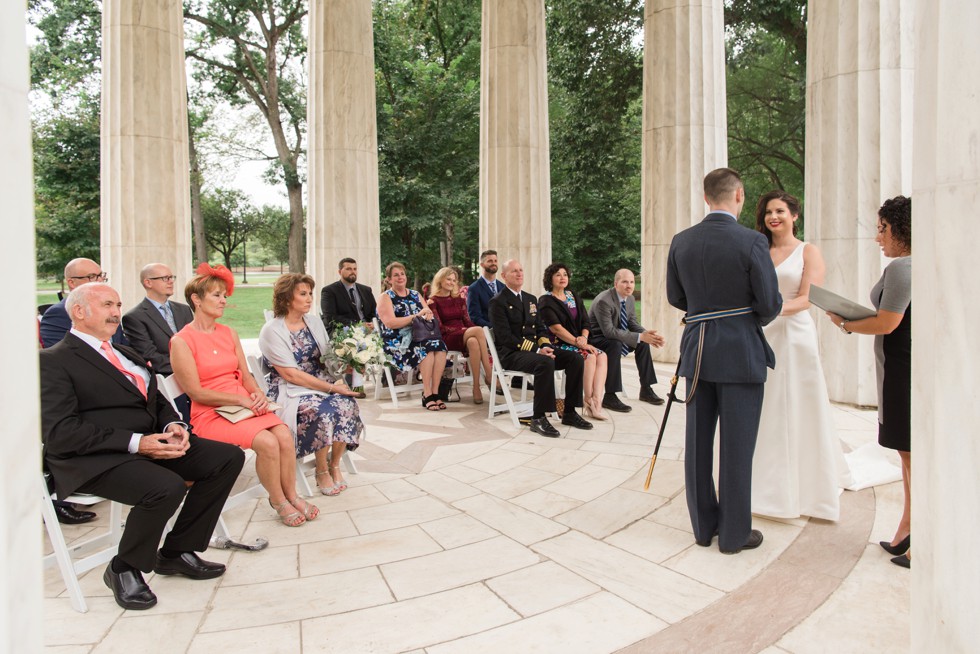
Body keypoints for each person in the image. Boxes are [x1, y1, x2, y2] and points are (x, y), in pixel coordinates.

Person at [40, 283, 245, 610]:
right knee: (166, 486)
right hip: (96, 457)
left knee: (226, 458)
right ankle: (124, 567)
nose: (116, 312)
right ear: (79, 312)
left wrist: (173, 426)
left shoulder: (126, 352)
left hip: (151, 444)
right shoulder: (53, 361)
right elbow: (62, 432)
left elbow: (157, 400)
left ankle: (176, 552)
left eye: (118, 304)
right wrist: (138, 443)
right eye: (107, 304)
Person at [666, 167, 782, 554]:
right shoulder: (752, 242)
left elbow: (675, 297)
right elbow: (768, 303)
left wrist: (706, 310)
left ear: (705, 197)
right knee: (737, 446)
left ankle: (703, 528)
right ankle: (733, 536)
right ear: (740, 196)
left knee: (697, 443)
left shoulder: (681, 241)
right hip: (740, 352)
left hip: (697, 350)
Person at [170, 263, 319, 527]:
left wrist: (257, 393)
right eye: (216, 295)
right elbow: (195, 392)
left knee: (284, 434)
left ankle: (292, 494)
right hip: (210, 412)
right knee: (267, 442)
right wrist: (240, 399)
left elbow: (246, 374)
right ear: (196, 299)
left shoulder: (229, 333)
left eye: (224, 295)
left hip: (244, 404)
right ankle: (278, 500)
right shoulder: (182, 341)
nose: (223, 301)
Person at [751, 191, 852, 521]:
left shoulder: (808, 251)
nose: (772, 216)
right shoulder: (758, 249)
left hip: (794, 336)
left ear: (795, 215)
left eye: (780, 211)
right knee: (765, 405)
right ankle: (762, 481)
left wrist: (770, 311)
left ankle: (807, 483)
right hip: (762, 334)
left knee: (797, 403)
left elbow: (809, 297)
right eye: (768, 212)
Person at [827, 195, 912, 568]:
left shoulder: (903, 268)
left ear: (900, 229)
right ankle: (907, 530)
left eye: (882, 229)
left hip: (902, 372)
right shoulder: (907, 266)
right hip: (899, 368)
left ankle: (918, 538)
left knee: (912, 458)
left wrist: (844, 322)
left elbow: (887, 323)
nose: (878, 238)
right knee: (908, 459)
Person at [259, 274, 364, 496]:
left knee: (347, 404)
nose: (309, 299)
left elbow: (326, 358)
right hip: (291, 389)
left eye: (310, 294)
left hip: (320, 381)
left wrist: (350, 362)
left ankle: (334, 464)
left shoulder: (314, 322)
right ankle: (321, 470)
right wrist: (332, 388)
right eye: (303, 294)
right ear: (287, 298)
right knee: (322, 411)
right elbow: (291, 375)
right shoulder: (272, 330)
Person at [488, 259, 591, 437]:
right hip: (512, 354)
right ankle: (538, 418)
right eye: (514, 271)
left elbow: (541, 328)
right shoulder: (498, 302)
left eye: (521, 270)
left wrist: (545, 345)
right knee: (544, 363)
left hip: (535, 350)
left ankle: (569, 412)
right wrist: (537, 349)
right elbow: (506, 338)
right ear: (504, 276)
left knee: (575, 358)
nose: (520, 274)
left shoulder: (530, 299)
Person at [537, 262, 609, 421]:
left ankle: (597, 401)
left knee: (602, 355)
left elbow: (585, 321)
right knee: (589, 356)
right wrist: (579, 343)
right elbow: (556, 329)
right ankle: (588, 400)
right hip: (557, 344)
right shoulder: (546, 300)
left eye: (565, 274)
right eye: (558, 275)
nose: (563, 277)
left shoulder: (573, 296)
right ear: (550, 278)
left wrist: (583, 337)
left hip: (579, 342)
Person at [122, 263, 194, 420]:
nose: (170, 281)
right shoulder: (134, 317)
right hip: (167, 380)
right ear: (148, 283)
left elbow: (197, 343)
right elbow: (150, 356)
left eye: (171, 277)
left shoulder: (184, 310)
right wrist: (186, 369)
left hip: (197, 375)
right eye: (165, 278)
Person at [588, 269, 667, 412]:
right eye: (625, 282)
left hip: (616, 337)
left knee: (642, 343)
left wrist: (647, 335)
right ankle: (610, 396)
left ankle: (646, 389)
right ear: (616, 283)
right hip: (597, 339)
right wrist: (639, 336)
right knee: (615, 345)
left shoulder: (629, 298)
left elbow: (632, 323)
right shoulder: (603, 301)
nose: (629, 285)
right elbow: (609, 331)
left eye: (631, 282)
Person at [376, 261, 449, 410]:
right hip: (396, 341)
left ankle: (435, 393)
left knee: (440, 347)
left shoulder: (415, 294)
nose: (400, 277)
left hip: (419, 336)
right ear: (389, 279)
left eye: (402, 274)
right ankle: (426, 393)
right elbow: (390, 323)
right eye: (396, 275)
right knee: (426, 349)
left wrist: (427, 315)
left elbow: (428, 313)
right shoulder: (386, 297)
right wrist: (416, 317)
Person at [428, 266, 494, 404]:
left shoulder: (459, 299)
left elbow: (467, 321)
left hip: (464, 333)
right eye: (448, 279)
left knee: (473, 342)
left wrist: (467, 330)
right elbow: (440, 328)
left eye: (454, 280)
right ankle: (489, 374)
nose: (452, 282)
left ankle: (476, 387)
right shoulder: (433, 301)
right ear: (440, 280)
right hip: (447, 336)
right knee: (478, 330)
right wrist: (467, 330)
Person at [40, 257, 126, 348]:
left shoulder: (112, 312)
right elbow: (61, 355)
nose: (100, 280)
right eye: (91, 276)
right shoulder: (57, 314)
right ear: (72, 283)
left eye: (101, 275)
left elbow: (123, 347)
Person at [320, 257, 377, 331]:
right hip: (344, 332)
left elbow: (374, 313)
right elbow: (330, 318)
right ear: (340, 272)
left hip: (369, 331)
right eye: (349, 269)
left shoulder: (366, 290)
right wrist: (357, 325)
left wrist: (373, 324)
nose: (353, 272)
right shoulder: (329, 291)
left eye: (355, 269)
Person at [467, 249, 501, 327]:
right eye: (490, 261)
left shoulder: (503, 287)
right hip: (487, 331)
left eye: (495, 261)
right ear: (482, 265)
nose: (493, 263)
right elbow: (475, 317)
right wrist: (494, 327)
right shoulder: (474, 288)